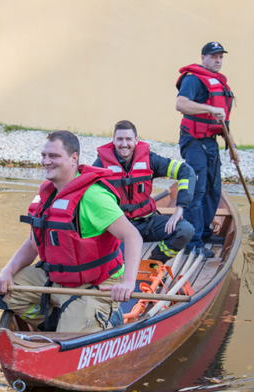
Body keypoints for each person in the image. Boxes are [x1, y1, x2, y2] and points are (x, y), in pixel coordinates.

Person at [0, 130, 143, 333]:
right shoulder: (47, 195)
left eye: (54, 156)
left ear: (74, 158)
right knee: (0, 290)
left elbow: (133, 236)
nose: (46, 161)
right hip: (56, 279)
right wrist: (6, 272)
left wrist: (128, 283)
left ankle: (107, 316)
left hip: (94, 284)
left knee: (69, 339)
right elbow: (32, 243)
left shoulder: (93, 196)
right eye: (44, 155)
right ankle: (56, 320)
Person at [93, 120, 195, 263]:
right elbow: (89, 196)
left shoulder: (150, 160)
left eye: (128, 139)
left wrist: (179, 209)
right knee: (119, 263)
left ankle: (155, 261)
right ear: (113, 141)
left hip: (148, 223)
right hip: (119, 227)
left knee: (185, 230)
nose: (124, 144)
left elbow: (186, 171)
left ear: (136, 141)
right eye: (120, 139)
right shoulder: (101, 165)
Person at [175, 41, 238, 257]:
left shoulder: (219, 84)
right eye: (213, 56)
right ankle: (192, 243)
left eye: (220, 56)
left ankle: (204, 232)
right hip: (193, 141)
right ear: (203, 58)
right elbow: (181, 104)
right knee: (198, 190)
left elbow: (223, 122)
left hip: (211, 142)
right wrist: (210, 108)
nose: (218, 60)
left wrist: (232, 147)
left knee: (214, 189)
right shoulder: (193, 79)